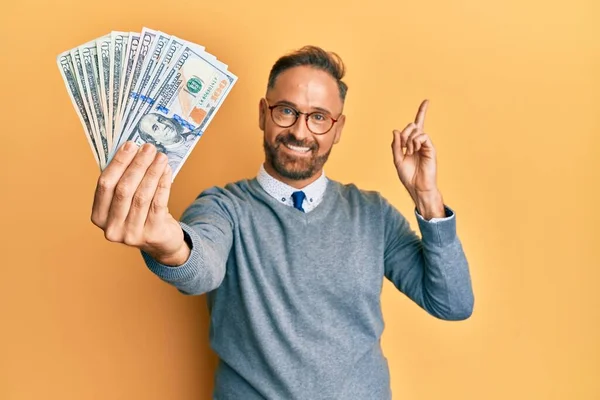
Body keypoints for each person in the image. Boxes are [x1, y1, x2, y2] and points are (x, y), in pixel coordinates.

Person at [91, 45, 474, 400]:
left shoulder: (372, 214)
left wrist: (427, 196)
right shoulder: (224, 207)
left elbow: (452, 303)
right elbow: (201, 268)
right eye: (286, 110)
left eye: (319, 118)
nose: (300, 131)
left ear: (338, 129)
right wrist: (168, 243)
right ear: (263, 113)